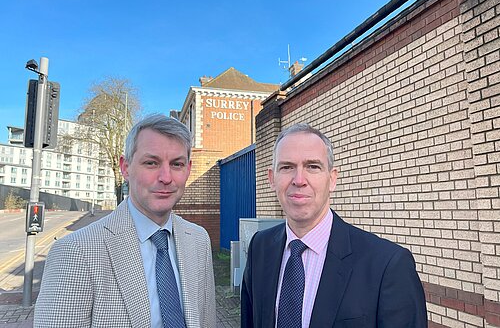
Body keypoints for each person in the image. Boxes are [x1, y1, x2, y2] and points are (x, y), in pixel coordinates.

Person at [35, 114, 216, 328]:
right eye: (151, 163)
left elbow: (206, 321)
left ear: (188, 169)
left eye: (177, 164)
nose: (166, 177)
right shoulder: (76, 251)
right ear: (125, 167)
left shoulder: (198, 239)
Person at [241, 123, 427, 328]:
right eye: (287, 167)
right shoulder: (260, 247)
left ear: (332, 179)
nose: (299, 180)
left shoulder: (388, 265)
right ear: (271, 179)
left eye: (313, 166)